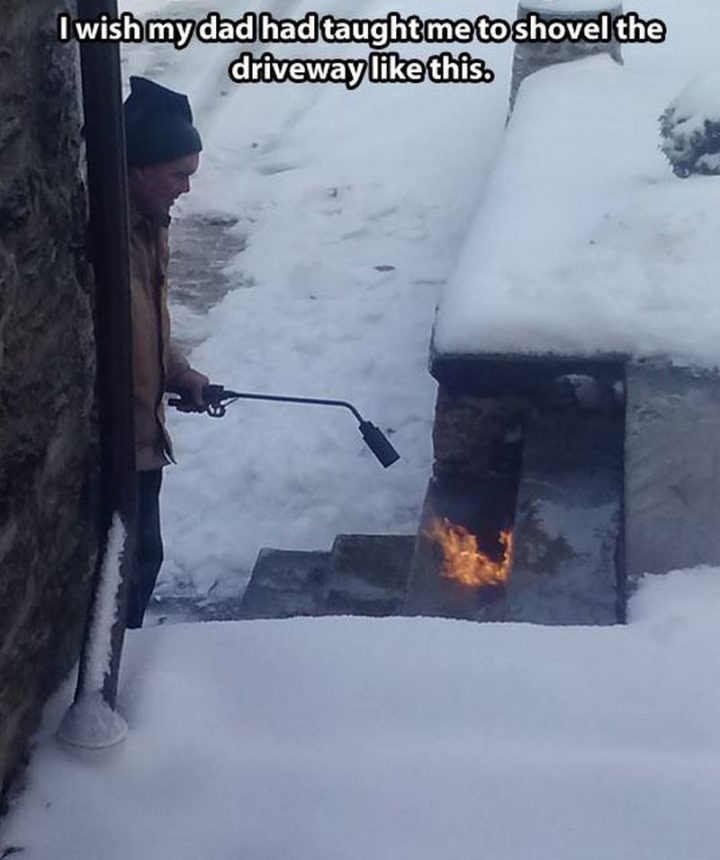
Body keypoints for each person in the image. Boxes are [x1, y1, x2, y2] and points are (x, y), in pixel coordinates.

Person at [123, 76, 209, 628]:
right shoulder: (106, 235)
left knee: (143, 560)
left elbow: (146, 322)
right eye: (178, 175)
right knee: (126, 568)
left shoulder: (150, 227)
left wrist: (178, 372)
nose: (186, 188)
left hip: (143, 441)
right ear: (139, 170)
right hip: (117, 445)